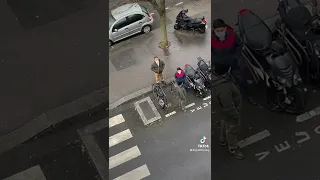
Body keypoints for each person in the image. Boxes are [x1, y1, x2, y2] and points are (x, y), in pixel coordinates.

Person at [211, 18, 256, 105]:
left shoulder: (232, 35)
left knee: (242, 80)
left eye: (222, 30)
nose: (220, 32)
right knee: (223, 86)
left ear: (225, 29)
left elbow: (239, 45)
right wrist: (216, 61)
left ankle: (248, 97)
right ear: (214, 31)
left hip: (233, 64)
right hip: (220, 67)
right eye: (218, 31)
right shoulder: (212, 40)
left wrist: (235, 56)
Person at [212, 62, 244, 160]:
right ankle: (233, 148)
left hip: (222, 111)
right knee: (232, 129)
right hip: (229, 112)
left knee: (224, 122)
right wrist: (235, 115)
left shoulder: (215, 80)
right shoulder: (223, 87)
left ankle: (223, 139)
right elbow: (229, 106)